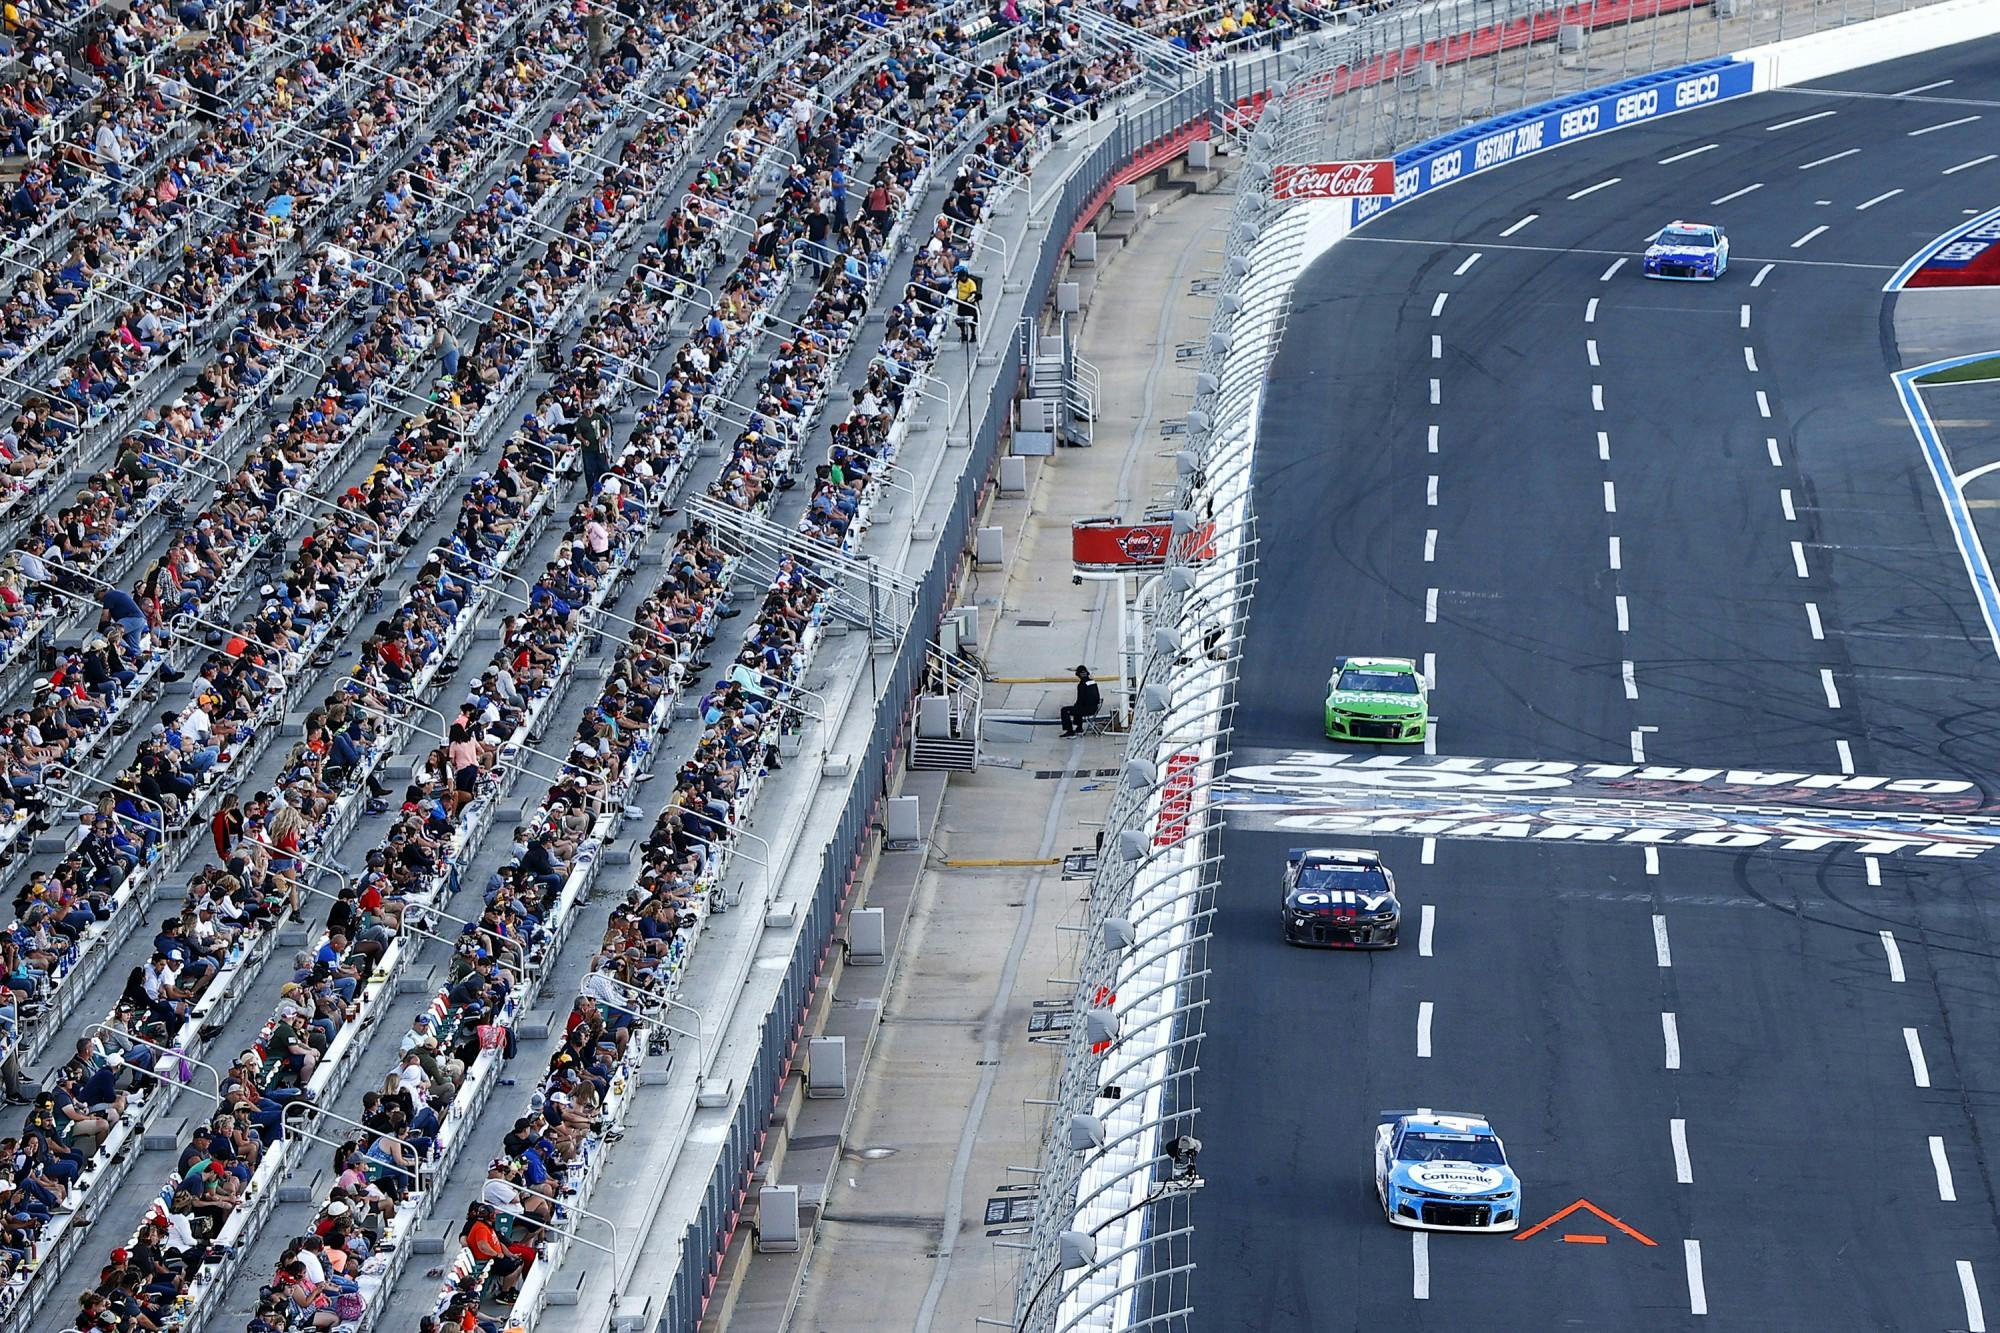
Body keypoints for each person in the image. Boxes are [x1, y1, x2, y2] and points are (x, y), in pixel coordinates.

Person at [1059, 666, 1100, 736]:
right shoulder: (1093, 682)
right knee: (1077, 708)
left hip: (1087, 709)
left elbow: (1080, 700)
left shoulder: (1082, 685)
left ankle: (1069, 731)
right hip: (1095, 708)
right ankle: (1079, 727)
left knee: (1065, 710)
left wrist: (1076, 706)